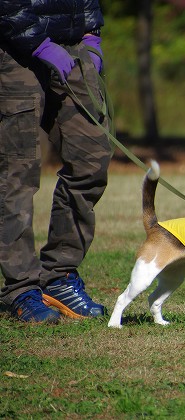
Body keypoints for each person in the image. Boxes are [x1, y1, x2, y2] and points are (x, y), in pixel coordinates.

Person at [0, 0, 112, 322]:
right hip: (13, 46)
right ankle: (21, 288)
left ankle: (59, 275)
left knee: (91, 159)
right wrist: (36, 41)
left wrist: (92, 31)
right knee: (16, 172)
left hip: (74, 42)